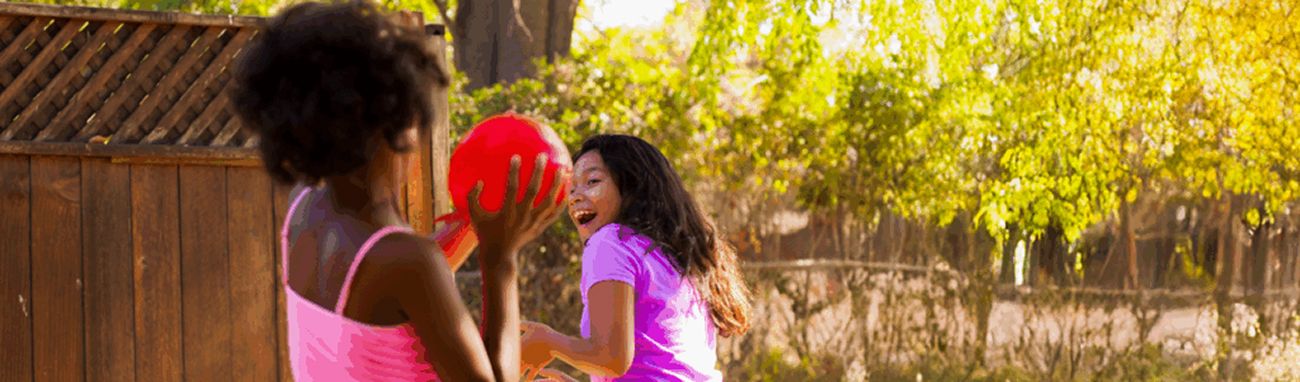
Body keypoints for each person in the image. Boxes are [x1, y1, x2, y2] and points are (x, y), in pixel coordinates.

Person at [233, 1, 566, 380]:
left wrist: (471, 225)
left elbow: (390, 290)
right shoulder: (411, 262)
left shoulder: (304, 206)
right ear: (394, 124)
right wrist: (500, 259)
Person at [518, 135, 755, 381]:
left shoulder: (610, 242)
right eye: (572, 187)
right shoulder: (676, 256)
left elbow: (611, 358)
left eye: (592, 181)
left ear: (633, 187)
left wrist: (548, 341)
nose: (575, 196)